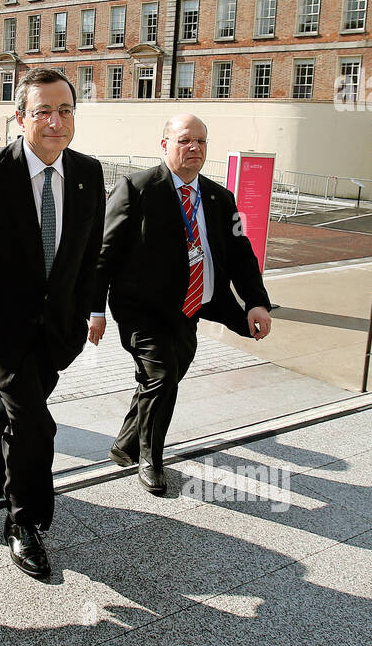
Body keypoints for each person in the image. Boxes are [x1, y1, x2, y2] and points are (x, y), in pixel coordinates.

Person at [0, 67, 104, 579]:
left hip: (58, 334)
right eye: (43, 111)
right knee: (35, 423)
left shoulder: (88, 173)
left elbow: (92, 254)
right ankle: (23, 522)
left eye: (65, 110)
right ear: (19, 117)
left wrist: (92, 310)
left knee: (19, 418)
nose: (56, 122)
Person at [90, 114, 273, 494]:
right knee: (161, 378)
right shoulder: (135, 189)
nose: (194, 148)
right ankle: (150, 459)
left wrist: (256, 302)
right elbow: (104, 254)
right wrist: (95, 311)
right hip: (142, 311)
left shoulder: (221, 198)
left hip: (192, 310)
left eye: (201, 141)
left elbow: (242, 254)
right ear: (164, 145)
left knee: (163, 379)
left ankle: (125, 445)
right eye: (185, 140)